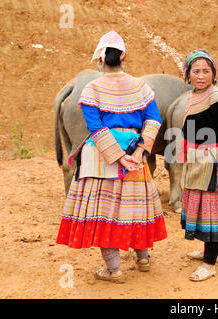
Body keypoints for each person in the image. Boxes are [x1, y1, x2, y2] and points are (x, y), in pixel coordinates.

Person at [56, 31, 167, 283]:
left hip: (102, 159)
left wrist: (117, 156)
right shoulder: (141, 86)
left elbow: (96, 128)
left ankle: (113, 270)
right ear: (123, 57)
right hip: (135, 157)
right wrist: (139, 151)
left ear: (100, 59)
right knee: (137, 209)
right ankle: (143, 259)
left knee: (103, 214)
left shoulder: (93, 88)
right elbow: (154, 120)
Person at [179, 49, 218, 281]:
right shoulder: (193, 97)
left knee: (213, 213)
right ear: (188, 75)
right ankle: (206, 250)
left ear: (214, 74)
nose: (201, 76)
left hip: (212, 163)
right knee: (202, 209)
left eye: (206, 71)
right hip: (196, 160)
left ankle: (209, 263)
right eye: (196, 71)